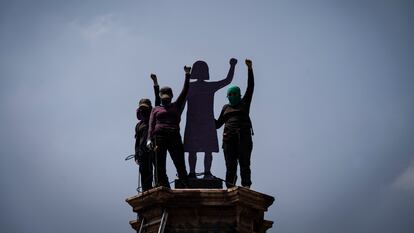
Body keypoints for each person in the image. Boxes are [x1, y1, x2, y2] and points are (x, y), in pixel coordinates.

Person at [184, 58, 237, 179]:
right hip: (198, 122)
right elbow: (227, 80)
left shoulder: (195, 86)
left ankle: (203, 173)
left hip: (204, 122)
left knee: (205, 150)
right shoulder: (191, 86)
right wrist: (232, 65)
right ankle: (195, 173)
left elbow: (227, 80)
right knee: (195, 150)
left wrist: (232, 66)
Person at [147, 66, 190, 188]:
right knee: (160, 163)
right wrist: (149, 139)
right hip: (159, 136)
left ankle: (184, 184)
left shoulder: (176, 105)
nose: (166, 99)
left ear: (171, 97)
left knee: (179, 162)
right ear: (161, 97)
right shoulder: (156, 109)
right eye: (163, 97)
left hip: (174, 135)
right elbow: (151, 124)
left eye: (168, 97)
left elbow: (185, 91)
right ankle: (163, 186)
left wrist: (187, 74)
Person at [215, 59, 255, 189]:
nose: (232, 96)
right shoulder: (225, 107)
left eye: (234, 94)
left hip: (243, 137)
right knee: (230, 165)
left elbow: (251, 87)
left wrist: (249, 69)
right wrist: (206, 115)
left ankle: (246, 186)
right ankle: (230, 186)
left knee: (244, 163)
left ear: (239, 95)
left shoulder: (244, 103)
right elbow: (217, 124)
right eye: (230, 94)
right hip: (228, 138)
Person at [134, 74, 160, 192]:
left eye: (146, 108)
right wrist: (136, 154)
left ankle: (159, 187)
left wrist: (155, 83)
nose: (143, 110)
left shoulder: (154, 118)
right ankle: (146, 191)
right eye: (141, 108)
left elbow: (157, 100)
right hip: (142, 152)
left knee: (158, 171)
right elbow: (137, 141)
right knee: (145, 173)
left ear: (150, 108)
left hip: (154, 148)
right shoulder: (139, 125)